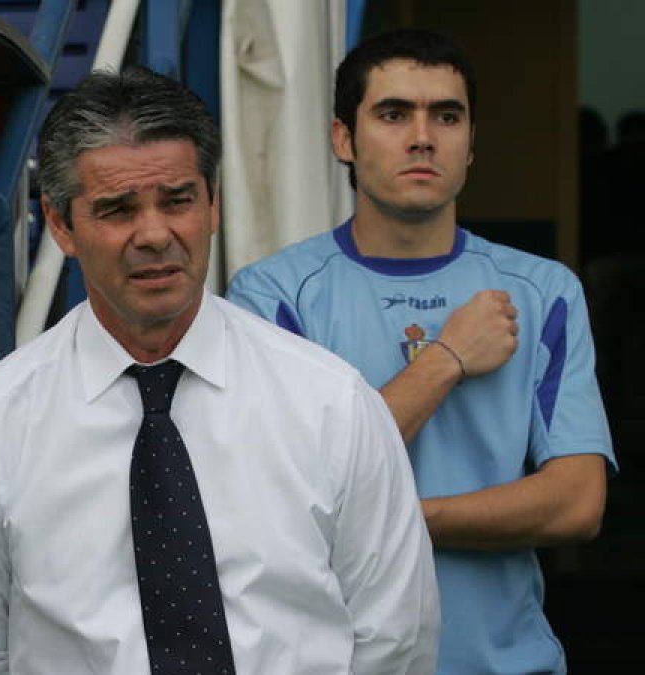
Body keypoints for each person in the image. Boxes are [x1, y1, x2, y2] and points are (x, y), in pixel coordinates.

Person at [0, 67, 438, 674]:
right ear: (60, 224)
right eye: (117, 209)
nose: (155, 234)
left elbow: (396, 640)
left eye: (178, 200)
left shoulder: (332, 405)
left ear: (213, 203)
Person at [226, 29, 616, 675]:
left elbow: (578, 500)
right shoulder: (273, 295)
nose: (423, 136)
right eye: (393, 113)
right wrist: (446, 359)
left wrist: (394, 520)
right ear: (342, 139)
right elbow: (287, 500)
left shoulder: (543, 291)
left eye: (447, 115)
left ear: (470, 144)